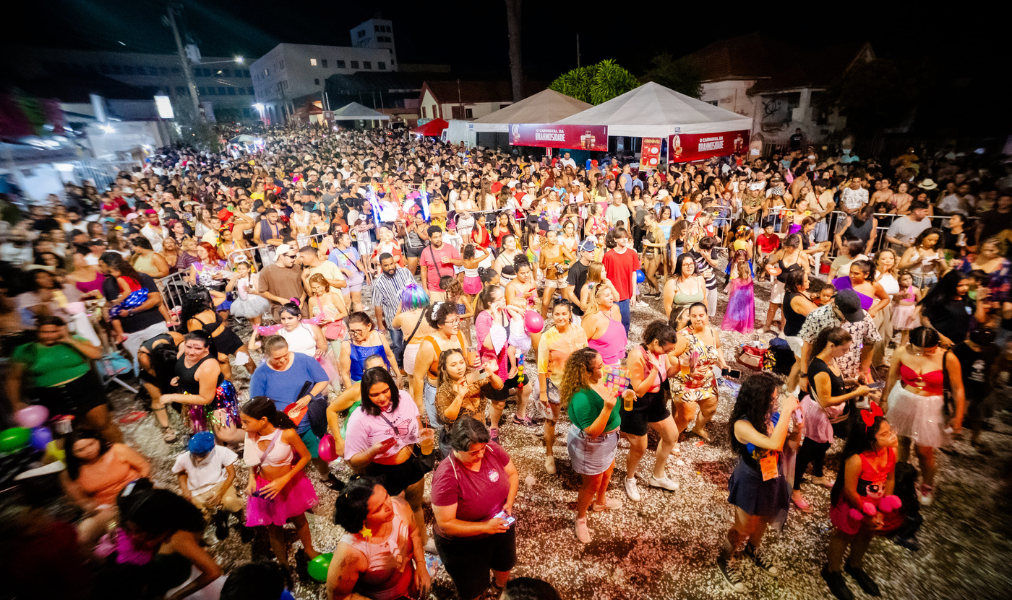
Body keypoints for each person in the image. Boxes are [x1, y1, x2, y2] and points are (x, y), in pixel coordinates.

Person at [717, 372, 801, 592]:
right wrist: (787, 412)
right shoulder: (742, 425)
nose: (777, 402)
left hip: (773, 476)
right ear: (759, 400)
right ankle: (725, 558)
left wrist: (798, 428)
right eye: (773, 399)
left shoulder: (773, 417)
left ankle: (752, 549)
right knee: (743, 526)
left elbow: (790, 445)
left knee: (764, 516)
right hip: (751, 479)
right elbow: (774, 444)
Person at [431, 415, 519, 600]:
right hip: (465, 544)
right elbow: (446, 524)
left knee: (504, 564)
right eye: (473, 452)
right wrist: (485, 527)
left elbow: (512, 474)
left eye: (482, 448)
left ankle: (500, 587)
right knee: (472, 586)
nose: (480, 455)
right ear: (457, 448)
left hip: (499, 526)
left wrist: (509, 502)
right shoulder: (447, 476)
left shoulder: (490, 449)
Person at [93, 480, 223, 600]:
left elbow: (213, 572)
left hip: (177, 587)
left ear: (156, 526)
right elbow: (115, 521)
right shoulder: (144, 526)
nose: (134, 536)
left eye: (138, 531)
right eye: (130, 530)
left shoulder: (178, 538)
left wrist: (175, 597)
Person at [344, 366, 429, 545]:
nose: (382, 398)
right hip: (383, 472)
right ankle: (402, 550)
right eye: (374, 394)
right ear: (366, 394)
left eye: (385, 391)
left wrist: (423, 436)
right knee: (394, 517)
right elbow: (353, 461)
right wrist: (372, 452)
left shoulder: (404, 398)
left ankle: (422, 542)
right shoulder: (359, 419)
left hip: (411, 462)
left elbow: (416, 418)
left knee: (416, 507)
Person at [822, 405, 900, 600]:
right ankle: (832, 570)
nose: (892, 436)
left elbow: (890, 478)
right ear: (870, 440)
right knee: (844, 535)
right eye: (885, 434)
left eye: (890, 431)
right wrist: (867, 513)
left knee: (866, 534)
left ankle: (854, 565)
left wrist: (882, 508)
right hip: (853, 506)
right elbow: (849, 490)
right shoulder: (857, 460)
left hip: (874, 505)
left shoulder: (891, 452)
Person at [7, 315, 122, 443]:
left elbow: (97, 354)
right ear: (38, 331)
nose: (49, 336)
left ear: (61, 329)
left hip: (85, 389)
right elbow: (14, 378)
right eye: (44, 332)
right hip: (53, 398)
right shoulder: (27, 350)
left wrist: (68, 339)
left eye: (53, 331)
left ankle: (122, 451)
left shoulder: (76, 341)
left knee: (102, 425)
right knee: (67, 435)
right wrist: (15, 403)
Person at [884, 327, 965, 505]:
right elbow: (891, 378)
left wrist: (958, 416)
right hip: (904, 400)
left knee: (923, 451)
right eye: (918, 350)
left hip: (931, 406)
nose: (923, 354)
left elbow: (958, 388)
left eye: (929, 351)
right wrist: (884, 401)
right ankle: (902, 478)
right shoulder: (901, 351)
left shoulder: (948, 357)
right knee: (901, 442)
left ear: (936, 345)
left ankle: (927, 484)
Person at [240, 397, 320, 577]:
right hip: (265, 487)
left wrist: (284, 479)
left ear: (263, 420)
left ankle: (309, 550)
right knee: (274, 527)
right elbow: (252, 460)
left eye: (246, 422)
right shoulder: (251, 434)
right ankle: (283, 564)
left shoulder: (287, 434)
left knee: (299, 519)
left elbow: (306, 457)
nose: (242, 426)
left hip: (289, 484)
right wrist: (251, 478)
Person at [793, 328, 871, 512]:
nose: (846, 352)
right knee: (809, 450)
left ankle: (818, 474)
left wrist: (852, 382)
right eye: (844, 349)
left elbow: (835, 383)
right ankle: (794, 488)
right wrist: (856, 393)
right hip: (820, 413)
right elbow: (826, 400)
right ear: (830, 345)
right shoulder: (820, 368)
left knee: (824, 444)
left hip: (829, 413)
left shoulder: (831, 360)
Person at [561, 347, 629, 542]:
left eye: (602, 363)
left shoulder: (602, 379)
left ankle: (600, 502)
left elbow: (614, 394)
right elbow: (592, 431)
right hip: (592, 444)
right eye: (599, 366)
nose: (604, 368)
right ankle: (580, 518)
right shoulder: (581, 396)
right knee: (591, 484)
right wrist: (607, 408)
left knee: (607, 472)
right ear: (585, 371)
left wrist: (624, 393)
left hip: (610, 439)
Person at [248, 335, 335, 482]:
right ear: (267, 355)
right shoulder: (260, 374)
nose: (282, 360)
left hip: (309, 421)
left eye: (285, 355)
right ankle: (293, 482)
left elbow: (323, 379)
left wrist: (309, 396)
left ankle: (326, 476)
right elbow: (256, 403)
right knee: (285, 457)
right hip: (282, 427)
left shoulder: (304, 360)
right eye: (277, 358)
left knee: (317, 452)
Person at [328, 477, 430, 600]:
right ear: (363, 519)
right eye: (378, 508)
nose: (389, 506)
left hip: (411, 587)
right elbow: (339, 597)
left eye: (386, 496)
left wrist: (421, 565)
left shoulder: (400, 506)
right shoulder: (351, 552)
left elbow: (414, 532)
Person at [622, 321, 681, 501]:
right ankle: (629, 478)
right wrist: (654, 369)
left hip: (656, 399)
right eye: (666, 349)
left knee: (671, 435)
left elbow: (667, 373)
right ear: (656, 342)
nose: (668, 353)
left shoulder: (661, 354)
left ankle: (658, 476)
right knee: (640, 448)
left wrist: (682, 365)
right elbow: (639, 390)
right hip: (637, 403)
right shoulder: (637, 355)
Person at [62, 427, 150, 543]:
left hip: (137, 493)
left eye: (91, 444)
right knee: (91, 529)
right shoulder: (73, 472)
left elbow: (144, 467)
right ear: (72, 453)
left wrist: (142, 485)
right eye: (80, 450)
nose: (89, 450)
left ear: (97, 439)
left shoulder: (118, 450)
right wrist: (91, 507)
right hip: (108, 508)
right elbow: (82, 500)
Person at [534, 299, 588, 474]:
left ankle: (579, 453)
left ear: (570, 314)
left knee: (579, 419)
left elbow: (586, 355)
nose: (561, 317)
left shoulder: (579, 331)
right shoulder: (547, 336)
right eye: (557, 314)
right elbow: (541, 367)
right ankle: (549, 454)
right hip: (555, 385)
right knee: (552, 421)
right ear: (552, 315)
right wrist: (543, 392)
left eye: (564, 313)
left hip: (577, 384)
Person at [669, 302, 728, 444]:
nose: (698, 319)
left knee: (710, 409)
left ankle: (698, 428)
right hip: (684, 380)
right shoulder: (683, 336)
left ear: (707, 316)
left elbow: (718, 347)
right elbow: (669, 356)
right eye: (694, 316)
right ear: (690, 317)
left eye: (701, 315)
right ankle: (671, 439)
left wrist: (723, 363)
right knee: (686, 416)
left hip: (706, 379)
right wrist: (687, 370)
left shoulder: (712, 332)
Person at [412, 302, 471, 437]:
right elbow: (418, 376)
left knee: (461, 426)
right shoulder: (428, 345)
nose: (457, 324)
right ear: (439, 324)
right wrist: (419, 405)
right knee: (444, 430)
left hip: (459, 388)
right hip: (437, 392)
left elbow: (467, 360)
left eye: (457, 319)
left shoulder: (460, 335)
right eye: (452, 321)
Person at [173, 431, 245, 541]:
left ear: (211, 449)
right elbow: (180, 472)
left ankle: (243, 523)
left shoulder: (221, 451)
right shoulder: (184, 458)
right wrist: (185, 491)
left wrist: (220, 493)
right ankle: (218, 521)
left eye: (201, 455)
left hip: (218, 483)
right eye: (194, 454)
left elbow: (231, 474)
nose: (197, 458)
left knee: (231, 502)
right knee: (196, 515)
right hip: (197, 490)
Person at [434, 348, 504, 457]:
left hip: (478, 433)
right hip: (457, 440)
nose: (459, 367)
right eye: (453, 365)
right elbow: (447, 419)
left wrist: (491, 375)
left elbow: (499, 387)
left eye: (461, 362)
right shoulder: (444, 390)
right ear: (445, 368)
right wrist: (460, 396)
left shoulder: (474, 377)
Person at [182, 286, 256, 377]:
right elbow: (198, 341)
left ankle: (259, 383)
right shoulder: (193, 321)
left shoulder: (208, 307)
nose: (209, 300)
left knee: (249, 363)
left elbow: (222, 296)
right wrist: (216, 354)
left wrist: (207, 290)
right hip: (216, 345)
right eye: (206, 298)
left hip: (229, 337)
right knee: (226, 375)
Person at [951, 328, 1004, 455]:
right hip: (964, 385)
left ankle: (975, 439)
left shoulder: (993, 349)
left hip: (982, 387)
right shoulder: (960, 348)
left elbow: (995, 365)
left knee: (978, 416)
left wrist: (993, 379)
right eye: (975, 346)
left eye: (982, 348)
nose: (978, 350)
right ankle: (953, 437)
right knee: (958, 413)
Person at [372, 252, 419, 365]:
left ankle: (414, 363)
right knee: (398, 345)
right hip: (393, 319)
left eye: (391, 264)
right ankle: (399, 365)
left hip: (410, 315)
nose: (390, 267)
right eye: (386, 265)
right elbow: (378, 306)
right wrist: (380, 325)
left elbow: (415, 289)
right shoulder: (378, 283)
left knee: (413, 341)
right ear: (381, 266)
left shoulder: (405, 272)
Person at [918, 270, 981, 347]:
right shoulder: (940, 301)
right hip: (940, 344)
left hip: (960, 344)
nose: (965, 288)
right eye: (960, 285)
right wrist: (941, 337)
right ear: (951, 285)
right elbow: (924, 320)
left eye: (967, 285)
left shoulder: (967, 301)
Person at [340, 311, 398, 389]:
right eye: (352, 331)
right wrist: (351, 392)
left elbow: (390, 356)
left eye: (359, 330)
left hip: (384, 381)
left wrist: (398, 375)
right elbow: (345, 374)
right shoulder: (347, 345)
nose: (355, 334)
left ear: (368, 326)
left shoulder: (379, 336)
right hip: (361, 385)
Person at [601, 228, 639, 332]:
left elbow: (634, 274)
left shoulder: (632, 254)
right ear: (615, 239)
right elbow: (603, 276)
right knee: (611, 323)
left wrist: (633, 294)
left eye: (626, 237)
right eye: (621, 237)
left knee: (625, 323)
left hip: (625, 295)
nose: (624, 239)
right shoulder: (608, 256)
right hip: (611, 295)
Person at [582, 283, 627, 367]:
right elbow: (580, 343)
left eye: (611, 294)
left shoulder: (615, 309)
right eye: (607, 295)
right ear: (598, 300)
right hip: (597, 366)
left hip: (616, 362)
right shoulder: (592, 318)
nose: (611, 297)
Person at [257, 244, 307, 321]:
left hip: (302, 310)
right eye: (291, 257)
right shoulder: (266, 271)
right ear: (281, 256)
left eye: (295, 256)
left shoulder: (299, 268)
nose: (294, 259)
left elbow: (306, 287)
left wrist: (302, 301)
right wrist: (280, 300)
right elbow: (262, 292)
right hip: (281, 313)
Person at [663, 253, 707, 328]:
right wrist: (674, 325)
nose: (689, 266)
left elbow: (705, 300)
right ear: (680, 266)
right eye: (686, 264)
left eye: (691, 263)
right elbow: (668, 307)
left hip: (698, 320)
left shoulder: (700, 279)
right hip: (681, 322)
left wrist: (706, 319)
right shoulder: (671, 283)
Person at [226, 256, 271, 328]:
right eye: (239, 269)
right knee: (251, 321)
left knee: (257, 320)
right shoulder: (237, 279)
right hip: (243, 302)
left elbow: (260, 292)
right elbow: (227, 289)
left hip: (254, 300)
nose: (241, 271)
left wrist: (251, 291)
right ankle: (257, 333)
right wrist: (234, 278)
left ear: (248, 269)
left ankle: (258, 333)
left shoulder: (253, 277)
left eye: (243, 269)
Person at [419, 226, 461, 301]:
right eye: (435, 237)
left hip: (451, 288)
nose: (438, 239)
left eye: (440, 236)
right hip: (434, 290)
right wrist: (425, 288)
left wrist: (450, 260)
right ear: (430, 238)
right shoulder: (425, 251)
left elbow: (460, 263)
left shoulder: (450, 248)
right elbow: (423, 272)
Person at [722, 249, 755, 333]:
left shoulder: (746, 265)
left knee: (743, 308)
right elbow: (732, 275)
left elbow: (749, 277)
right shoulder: (734, 265)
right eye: (739, 259)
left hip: (743, 291)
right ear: (736, 258)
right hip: (737, 290)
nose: (741, 260)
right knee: (736, 307)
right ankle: (736, 323)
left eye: (742, 259)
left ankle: (743, 325)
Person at [892, 271, 922, 346]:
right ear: (899, 281)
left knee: (906, 330)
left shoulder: (915, 290)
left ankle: (902, 346)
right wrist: (901, 295)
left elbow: (920, 303)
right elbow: (894, 298)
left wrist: (915, 313)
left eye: (910, 278)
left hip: (909, 311)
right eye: (905, 279)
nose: (908, 281)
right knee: (892, 328)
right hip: (898, 310)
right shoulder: (896, 289)